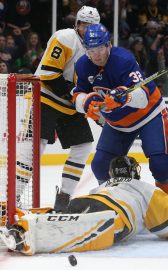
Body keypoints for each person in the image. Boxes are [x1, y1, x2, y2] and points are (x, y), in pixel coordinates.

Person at [0, 156, 168, 255]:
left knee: (63, 217)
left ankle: (18, 225)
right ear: (134, 171)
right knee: (74, 233)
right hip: (113, 215)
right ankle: (25, 237)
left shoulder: (105, 185)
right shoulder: (146, 189)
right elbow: (167, 228)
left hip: (85, 200)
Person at [72, 23, 168, 206]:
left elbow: (143, 97)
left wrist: (124, 97)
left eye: (100, 48)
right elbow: (77, 94)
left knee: (161, 166)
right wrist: (86, 101)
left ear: (109, 45)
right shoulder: (82, 65)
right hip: (117, 123)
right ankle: (112, 206)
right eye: (91, 50)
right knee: (100, 165)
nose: (96, 54)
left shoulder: (124, 59)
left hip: (149, 115)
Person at [15, 6, 100, 213]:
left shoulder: (98, 48)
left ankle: (64, 197)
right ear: (77, 24)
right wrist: (76, 95)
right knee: (36, 147)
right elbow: (50, 74)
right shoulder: (65, 37)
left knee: (83, 145)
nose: (87, 29)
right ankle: (10, 200)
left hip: (69, 105)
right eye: (84, 25)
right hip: (45, 97)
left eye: (92, 26)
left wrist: (97, 104)